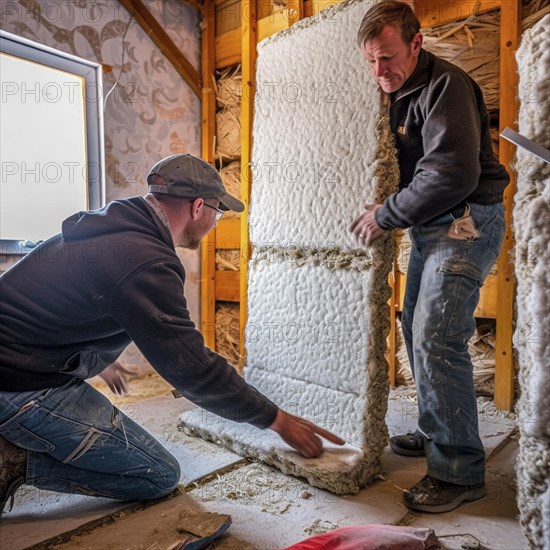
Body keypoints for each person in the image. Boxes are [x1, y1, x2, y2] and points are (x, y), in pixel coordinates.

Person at [0, 153, 344, 515]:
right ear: (198, 207)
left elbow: (52, 303)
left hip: (21, 364)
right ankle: (16, 460)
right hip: (21, 384)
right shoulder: (146, 261)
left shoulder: (112, 229)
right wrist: (277, 420)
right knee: (158, 475)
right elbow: (192, 368)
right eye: (218, 211)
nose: (215, 221)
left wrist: (92, 360)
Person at [350, 1, 509, 513]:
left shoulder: (447, 86)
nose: (381, 72)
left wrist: (385, 214)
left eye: (389, 58)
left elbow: (450, 174)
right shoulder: (397, 91)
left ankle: (459, 470)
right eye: (372, 61)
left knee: (438, 336)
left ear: (417, 44)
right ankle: (440, 427)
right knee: (415, 327)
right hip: (432, 226)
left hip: (464, 221)